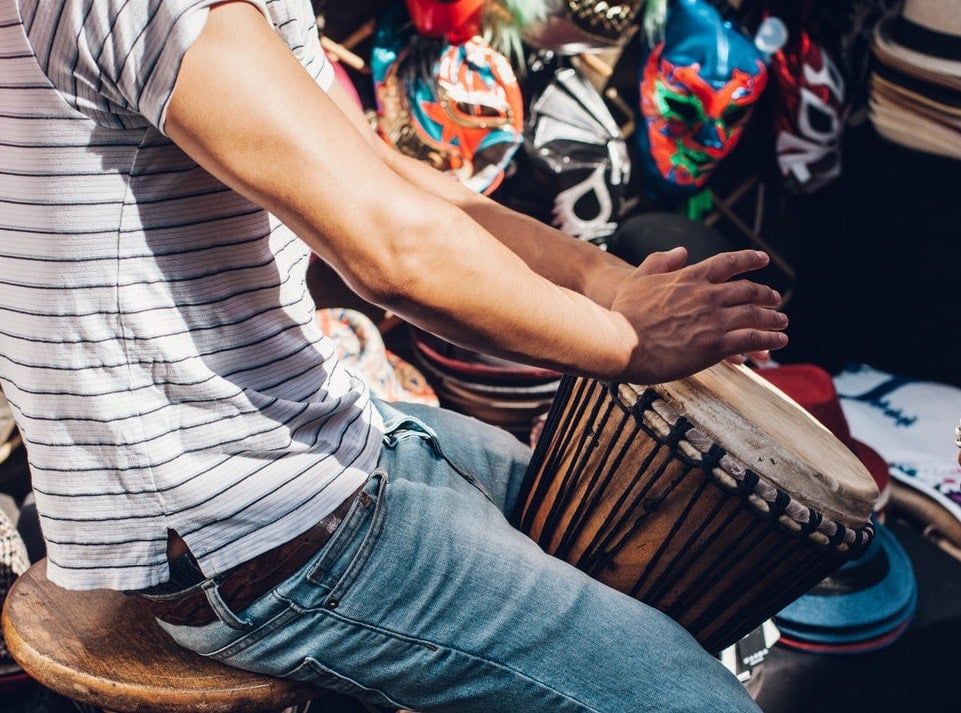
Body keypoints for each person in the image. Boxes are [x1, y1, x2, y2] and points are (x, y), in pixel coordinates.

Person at [0, 1, 788, 711]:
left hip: (332, 438)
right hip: (247, 519)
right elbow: (394, 249)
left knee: (635, 551)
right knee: (697, 699)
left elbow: (376, 168)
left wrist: (607, 283)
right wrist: (625, 342)